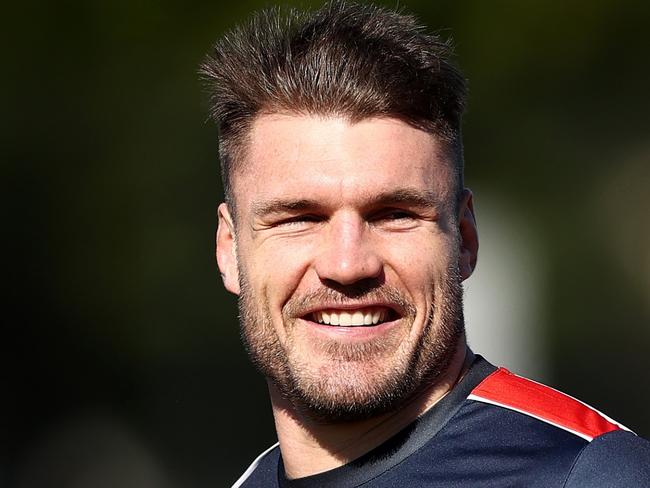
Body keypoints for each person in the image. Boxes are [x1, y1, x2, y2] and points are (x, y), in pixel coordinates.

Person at [200, 2, 650, 486]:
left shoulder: (590, 475)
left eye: (394, 215)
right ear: (230, 248)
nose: (348, 264)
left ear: (466, 241)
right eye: (299, 218)